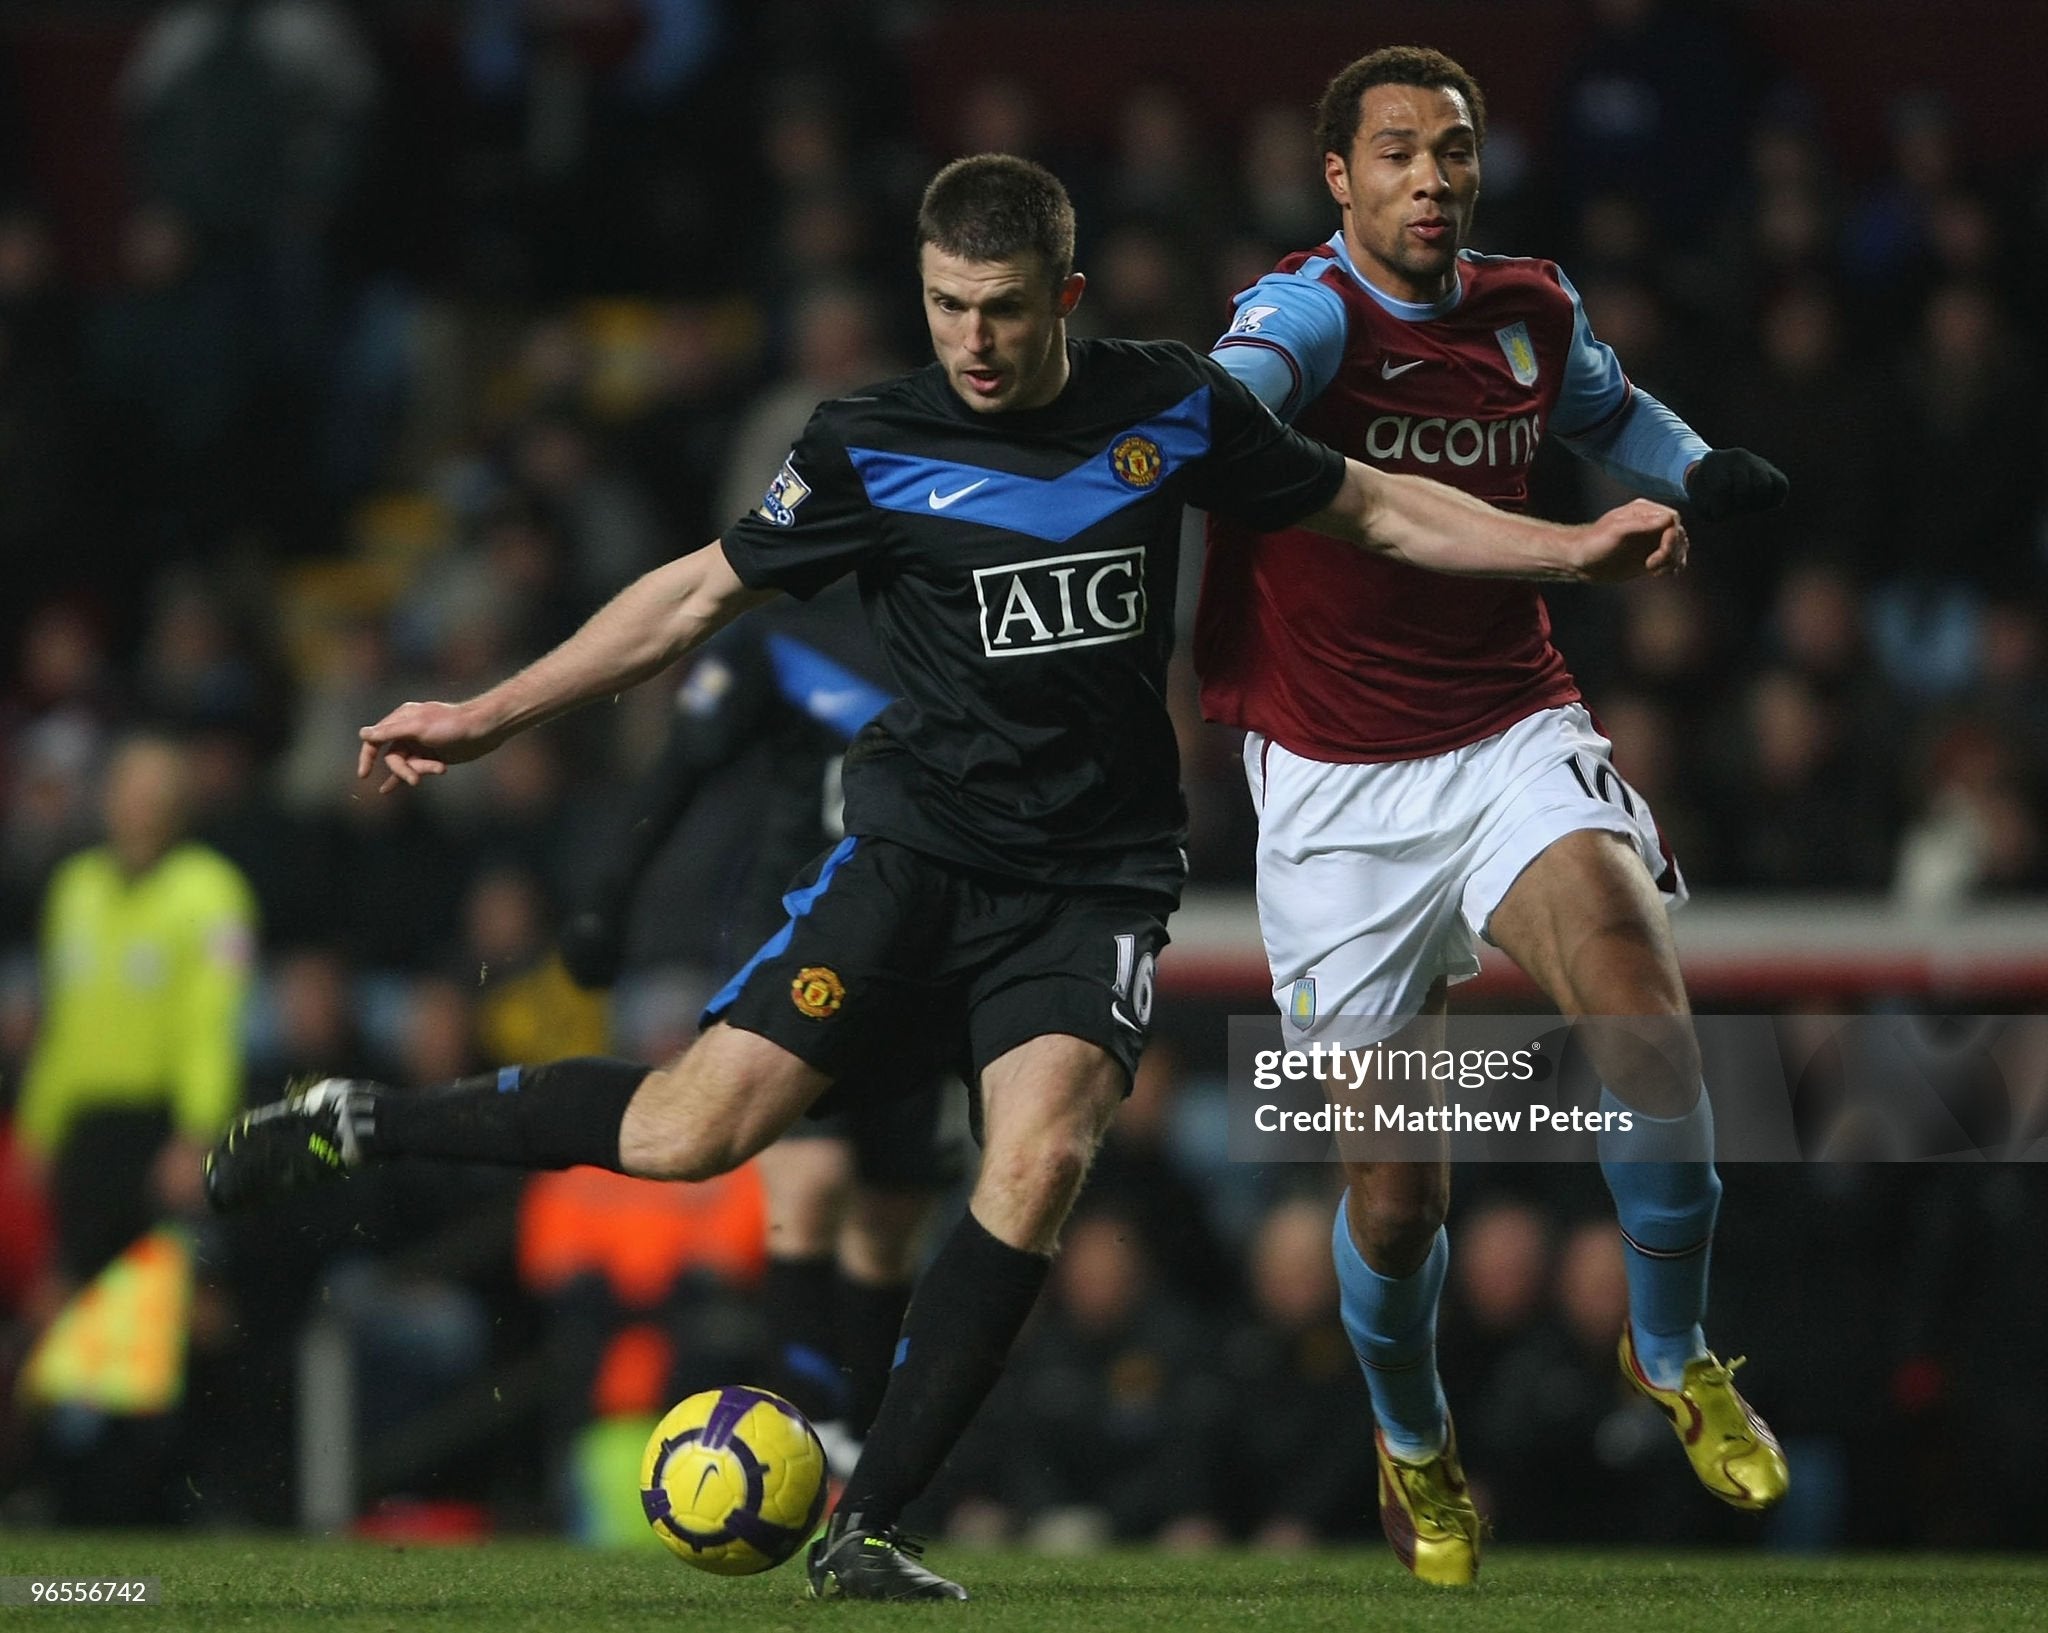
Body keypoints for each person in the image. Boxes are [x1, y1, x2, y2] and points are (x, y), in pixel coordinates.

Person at [204, 152, 1685, 1601]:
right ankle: (363, 1119)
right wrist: (482, 715)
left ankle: (870, 1527)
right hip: (914, 861)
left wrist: (1563, 550)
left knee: (1038, 1161)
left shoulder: (1168, 404)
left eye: (1003, 308)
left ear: (1068, 295)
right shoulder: (866, 440)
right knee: (685, 1134)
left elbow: (1365, 502)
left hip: (1092, 884)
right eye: (946, 306)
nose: (972, 339)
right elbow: (696, 593)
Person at [1195, 47, 1790, 1587]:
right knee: (1396, 1201)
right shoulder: (1306, 318)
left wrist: (1698, 464)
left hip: (1507, 729)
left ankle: (1674, 1352)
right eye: (1396, 153)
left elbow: (1612, 406)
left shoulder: (1526, 309)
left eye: (1452, 152)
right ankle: (1411, 1435)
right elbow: (1224, 406)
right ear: (1338, 177)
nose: (1431, 180)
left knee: (1638, 993)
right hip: (1332, 787)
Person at [556, 579, 963, 1468]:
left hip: (920, 955)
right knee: (808, 1186)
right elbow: (678, 769)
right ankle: (813, 1431)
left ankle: (860, 1427)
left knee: (891, 1214)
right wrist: (605, 901)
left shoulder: (961, 622)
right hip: (797, 939)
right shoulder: (780, 637)